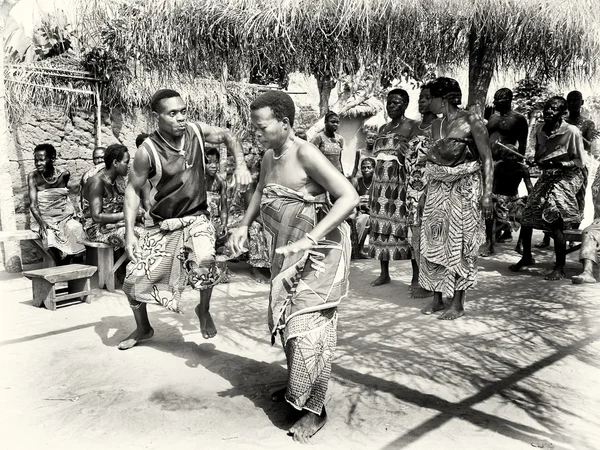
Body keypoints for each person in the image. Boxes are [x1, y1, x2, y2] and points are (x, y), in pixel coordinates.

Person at [229, 90, 357, 444]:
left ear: (285, 123)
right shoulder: (271, 154)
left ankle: (314, 410)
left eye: (262, 127)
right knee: (287, 323)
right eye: (253, 127)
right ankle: (297, 388)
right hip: (287, 254)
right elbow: (260, 190)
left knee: (307, 327)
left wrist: (310, 239)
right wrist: (244, 224)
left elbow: (348, 196)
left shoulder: (306, 152)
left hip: (321, 254)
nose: (256, 134)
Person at [118, 89, 251, 350]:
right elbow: (133, 189)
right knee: (132, 279)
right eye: (172, 113)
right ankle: (143, 328)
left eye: (183, 111)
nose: (180, 118)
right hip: (162, 225)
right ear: (157, 117)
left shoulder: (196, 132)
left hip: (197, 218)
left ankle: (203, 309)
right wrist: (130, 232)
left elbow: (227, 135)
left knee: (205, 262)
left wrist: (242, 165)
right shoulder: (147, 152)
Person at [418, 77, 493, 320]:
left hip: (464, 188)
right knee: (434, 240)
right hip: (438, 188)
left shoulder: (471, 120)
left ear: (443, 98)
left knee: (460, 244)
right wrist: (424, 193)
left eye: (431, 98)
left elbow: (487, 158)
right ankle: (437, 298)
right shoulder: (435, 126)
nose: (427, 103)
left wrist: (487, 194)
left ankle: (458, 303)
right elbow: (435, 160)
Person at [509, 96, 585, 280]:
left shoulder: (572, 131)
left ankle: (560, 267)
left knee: (554, 214)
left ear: (563, 113)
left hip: (569, 176)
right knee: (528, 214)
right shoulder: (540, 129)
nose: (549, 112)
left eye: (554, 109)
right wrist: (536, 161)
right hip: (549, 174)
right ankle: (527, 257)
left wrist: (560, 164)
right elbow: (539, 155)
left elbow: (579, 162)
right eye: (547, 108)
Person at [368, 89, 418, 286]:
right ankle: (384, 273)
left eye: (396, 102)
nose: (391, 106)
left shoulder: (412, 126)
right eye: (389, 102)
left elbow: (416, 155)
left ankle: (415, 277)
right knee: (380, 229)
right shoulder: (383, 128)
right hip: (379, 187)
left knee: (406, 229)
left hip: (400, 187)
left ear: (405, 104)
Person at [484, 88, 529, 247]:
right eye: (495, 100)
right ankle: (493, 232)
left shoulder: (518, 119)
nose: (495, 103)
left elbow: (522, 144)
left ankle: (507, 230)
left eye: (499, 101)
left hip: (508, 161)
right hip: (491, 161)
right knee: (491, 194)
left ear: (509, 100)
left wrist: (518, 164)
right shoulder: (492, 118)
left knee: (508, 193)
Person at [28, 143, 86, 265]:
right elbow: (33, 205)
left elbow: (63, 199)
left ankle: (71, 261)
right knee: (48, 235)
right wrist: (42, 224)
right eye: (36, 160)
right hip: (41, 217)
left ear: (52, 159)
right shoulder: (33, 176)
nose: (38, 163)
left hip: (62, 216)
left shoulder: (64, 175)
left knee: (76, 228)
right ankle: (61, 265)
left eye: (42, 160)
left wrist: (69, 216)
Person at [405, 84, 436, 298]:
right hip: (410, 189)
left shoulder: (440, 126)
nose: (422, 101)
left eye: (427, 98)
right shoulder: (414, 127)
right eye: (420, 97)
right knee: (413, 235)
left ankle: (429, 282)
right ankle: (417, 277)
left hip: (429, 187)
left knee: (429, 235)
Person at [82, 144, 143, 247]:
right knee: (140, 236)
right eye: (126, 162)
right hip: (96, 230)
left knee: (152, 231)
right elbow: (96, 217)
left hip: (115, 225)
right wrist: (127, 215)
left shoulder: (118, 180)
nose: (128, 166)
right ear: (115, 162)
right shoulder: (96, 182)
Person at [350, 157, 375, 257]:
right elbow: (350, 199)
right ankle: (359, 250)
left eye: (369, 167)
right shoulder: (356, 182)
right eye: (363, 167)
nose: (366, 170)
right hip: (359, 213)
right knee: (365, 218)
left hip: (375, 212)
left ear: (374, 169)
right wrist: (361, 205)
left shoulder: (377, 182)